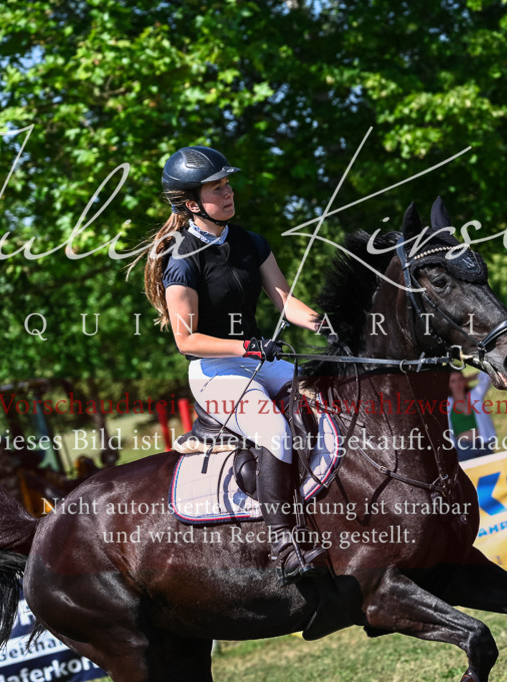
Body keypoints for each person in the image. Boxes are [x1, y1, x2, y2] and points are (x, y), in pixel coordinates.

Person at [135, 145, 327, 586]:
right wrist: (246, 347)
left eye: (227, 184)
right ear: (191, 203)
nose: (228, 192)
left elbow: (284, 301)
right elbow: (187, 340)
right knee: (274, 430)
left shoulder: (249, 242)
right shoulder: (182, 260)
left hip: (260, 360)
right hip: (215, 373)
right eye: (216, 188)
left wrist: (328, 325)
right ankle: (285, 544)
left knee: (327, 398)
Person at [448, 370, 496, 461]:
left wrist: (469, 378)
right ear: (448, 385)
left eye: (460, 379)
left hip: (484, 444)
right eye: (453, 381)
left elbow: (488, 375)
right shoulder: (446, 404)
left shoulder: (475, 395)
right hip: (464, 448)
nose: (458, 384)